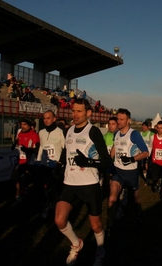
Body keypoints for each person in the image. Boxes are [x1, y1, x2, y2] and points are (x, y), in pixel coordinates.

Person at [54, 98, 112, 266]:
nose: (75, 114)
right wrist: (59, 166)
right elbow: (67, 151)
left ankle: (100, 251)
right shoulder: (69, 130)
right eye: (73, 111)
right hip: (70, 183)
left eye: (79, 111)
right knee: (59, 220)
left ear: (88, 113)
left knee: (96, 226)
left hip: (89, 184)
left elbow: (107, 162)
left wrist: (88, 162)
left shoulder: (93, 132)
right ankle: (76, 243)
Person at [107, 108, 149, 235]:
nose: (118, 122)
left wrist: (131, 158)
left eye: (121, 119)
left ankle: (139, 214)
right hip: (118, 171)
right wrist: (109, 162)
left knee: (135, 200)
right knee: (112, 198)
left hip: (131, 173)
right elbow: (114, 148)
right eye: (117, 119)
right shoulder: (116, 134)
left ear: (128, 120)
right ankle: (109, 226)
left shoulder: (134, 134)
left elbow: (146, 152)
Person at [36, 110, 65, 218]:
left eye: (48, 118)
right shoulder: (41, 132)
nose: (46, 120)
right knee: (39, 186)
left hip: (56, 165)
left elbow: (65, 148)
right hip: (44, 164)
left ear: (54, 119)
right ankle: (46, 204)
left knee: (56, 188)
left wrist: (60, 163)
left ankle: (57, 207)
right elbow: (42, 147)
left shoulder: (60, 132)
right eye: (44, 118)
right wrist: (38, 160)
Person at [10, 118, 40, 207]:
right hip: (21, 161)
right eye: (21, 124)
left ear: (29, 126)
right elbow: (17, 142)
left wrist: (27, 150)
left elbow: (37, 150)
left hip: (31, 162)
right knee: (15, 177)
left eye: (25, 124)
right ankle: (18, 196)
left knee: (34, 181)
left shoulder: (34, 135)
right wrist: (14, 144)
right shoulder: (20, 133)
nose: (22, 126)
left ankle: (36, 198)